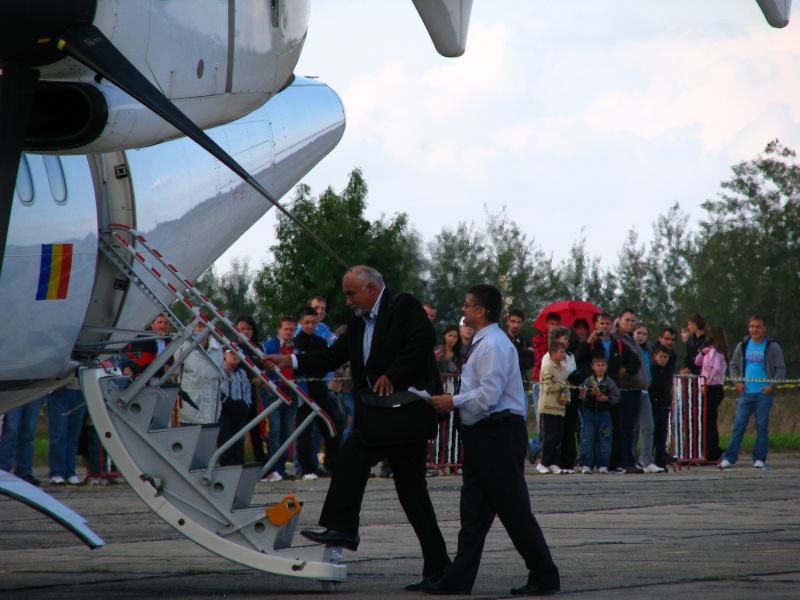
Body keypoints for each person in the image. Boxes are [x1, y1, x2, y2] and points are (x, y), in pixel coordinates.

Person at [263, 266, 450, 590]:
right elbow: (332, 356)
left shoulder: (402, 306)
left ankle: (343, 527)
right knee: (412, 493)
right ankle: (441, 570)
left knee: (355, 450)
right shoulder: (360, 323)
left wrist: (393, 372)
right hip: (387, 415)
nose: (348, 300)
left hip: (405, 412)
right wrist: (289, 362)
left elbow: (424, 339)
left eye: (352, 293)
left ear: (370, 289)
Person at [425, 283, 560, 596]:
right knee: (472, 515)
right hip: (483, 437)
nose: (463, 309)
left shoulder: (494, 345)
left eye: (467, 304)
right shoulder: (484, 342)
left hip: (496, 435)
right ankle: (457, 580)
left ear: (481, 311)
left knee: (514, 512)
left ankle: (545, 575)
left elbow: (488, 396)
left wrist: (451, 401)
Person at [720, 316, 785, 469]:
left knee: (761, 426)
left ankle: (759, 458)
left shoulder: (772, 347)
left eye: (758, 327)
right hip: (746, 393)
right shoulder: (743, 345)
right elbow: (734, 365)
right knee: (738, 425)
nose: (754, 330)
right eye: (752, 327)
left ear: (764, 328)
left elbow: (780, 368)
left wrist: (772, 386)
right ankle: (730, 457)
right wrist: (736, 382)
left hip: (764, 394)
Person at [294, 306, 340, 480]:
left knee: (332, 424)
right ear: (301, 323)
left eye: (313, 322)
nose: (310, 326)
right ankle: (306, 467)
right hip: (304, 389)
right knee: (304, 430)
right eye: (307, 322)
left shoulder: (321, 343)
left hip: (320, 387)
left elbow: (325, 364)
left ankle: (332, 464)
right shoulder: (296, 342)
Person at [261, 316, 301, 481]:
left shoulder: (297, 347)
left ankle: (281, 468)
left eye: (292, 329)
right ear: (278, 329)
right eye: (286, 328)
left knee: (287, 432)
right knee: (274, 432)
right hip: (274, 393)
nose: (289, 332)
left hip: (292, 392)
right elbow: (260, 369)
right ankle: (273, 469)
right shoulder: (268, 346)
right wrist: (267, 387)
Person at [612, 308, 646, 474]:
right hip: (625, 387)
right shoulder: (616, 338)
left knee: (632, 427)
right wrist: (624, 370)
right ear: (619, 319)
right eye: (627, 320)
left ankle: (631, 458)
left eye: (632, 320)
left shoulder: (630, 339)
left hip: (636, 387)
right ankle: (625, 460)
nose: (630, 323)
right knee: (624, 426)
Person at [176, 321, 224, 426]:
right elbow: (175, 372)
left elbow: (220, 374)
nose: (201, 330)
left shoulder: (217, 348)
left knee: (207, 439)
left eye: (204, 327)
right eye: (199, 326)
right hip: (189, 404)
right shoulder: (182, 347)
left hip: (211, 405)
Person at [236, 316, 268, 467]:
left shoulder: (258, 347)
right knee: (238, 429)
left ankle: (261, 461)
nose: (245, 332)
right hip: (236, 395)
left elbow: (263, 368)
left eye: (248, 329)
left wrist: (260, 377)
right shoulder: (231, 346)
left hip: (253, 393)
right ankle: (238, 461)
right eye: (242, 329)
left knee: (255, 430)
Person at [579, 354, 619, 474]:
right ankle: (586, 464)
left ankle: (603, 464)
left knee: (605, 439)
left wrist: (607, 399)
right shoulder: (588, 381)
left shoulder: (610, 382)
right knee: (587, 439)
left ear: (606, 366)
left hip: (604, 414)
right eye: (598, 365)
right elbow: (583, 396)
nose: (600, 368)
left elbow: (616, 397)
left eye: (603, 365)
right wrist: (590, 395)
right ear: (593, 366)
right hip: (590, 414)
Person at [694, 325, 730, 461]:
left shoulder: (717, 353)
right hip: (710, 387)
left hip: (712, 388)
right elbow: (697, 362)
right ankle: (709, 450)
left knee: (709, 421)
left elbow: (715, 369)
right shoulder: (710, 351)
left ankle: (712, 451)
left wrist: (706, 383)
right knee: (707, 420)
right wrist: (702, 353)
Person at [536, 340, 570, 475]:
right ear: (553, 352)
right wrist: (561, 385)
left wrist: (567, 398)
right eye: (561, 351)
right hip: (549, 407)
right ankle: (543, 462)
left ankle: (554, 463)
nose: (563, 354)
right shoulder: (547, 366)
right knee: (549, 437)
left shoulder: (564, 368)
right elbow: (547, 386)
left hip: (560, 408)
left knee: (558, 436)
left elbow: (567, 386)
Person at [632, 323, 663, 473]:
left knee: (648, 426)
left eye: (644, 334)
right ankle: (631, 459)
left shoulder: (646, 350)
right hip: (632, 390)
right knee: (632, 428)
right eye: (638, 333)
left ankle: (647, 461)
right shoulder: (630, 348)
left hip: (644, 391)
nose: (641, 336)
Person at [46, 378, 87, 485]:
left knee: (73, 436)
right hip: (60, 391)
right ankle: (57, 472)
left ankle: (70, 472)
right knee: (59, 434)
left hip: (80, 390)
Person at [216, 345, 252, 466]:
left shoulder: (242, 373)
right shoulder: (219, 370)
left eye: (238, 353)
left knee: (240, 438)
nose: (235, 356)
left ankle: (239, 464)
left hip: (240, 408)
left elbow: (247, 389)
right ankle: (227, 465)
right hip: (225, 409)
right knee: (226, 437)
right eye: (231, 353)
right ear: (224, 355)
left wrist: (247, 403)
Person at [0, 396, 46, 486]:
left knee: (28, 433)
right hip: (15, 391)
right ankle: (3, 471)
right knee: (11, 431)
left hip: (36, 391)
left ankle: (24, 472)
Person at [649, 345, 674, 469]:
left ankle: (661, 460)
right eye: (661, 357)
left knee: (662, 433)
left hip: (664, 404)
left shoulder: (669, 371)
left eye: (665, 357)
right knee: (652, 432)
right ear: (655, 357)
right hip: (654, 404)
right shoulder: (652, 370)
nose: (663, 359)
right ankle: (650, 459)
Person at [506, 308, 535, 392]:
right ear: (508, 321)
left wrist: (511, 358)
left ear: (522, 323)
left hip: (522, 387)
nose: (516, 325)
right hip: (503, 387)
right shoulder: (500, 340)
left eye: (519, 322)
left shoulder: (526, 342)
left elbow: (530, 363)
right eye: (513, 321)